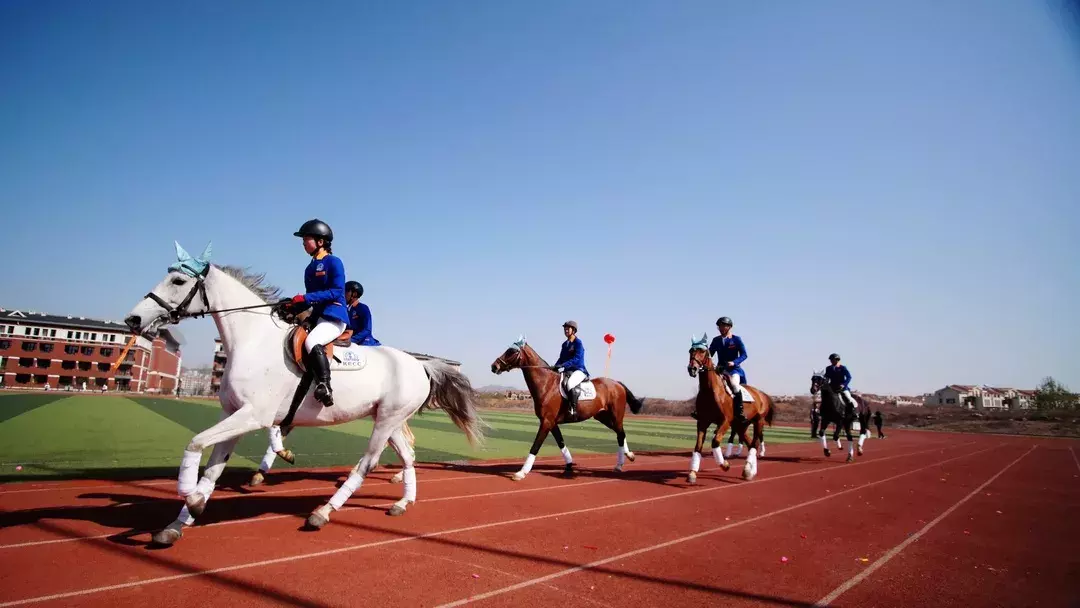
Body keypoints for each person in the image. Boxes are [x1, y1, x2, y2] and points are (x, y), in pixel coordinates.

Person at [286, 219, 348, 407]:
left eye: (307, 239)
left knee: (312, 341)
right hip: (318, 317)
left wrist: (305, 298)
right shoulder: (309, 268)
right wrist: (293, 306)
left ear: (320, 242)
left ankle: (325, 386)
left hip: (334, 316)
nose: (303, 243)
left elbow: (336, 291)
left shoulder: (334, 262)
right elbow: (312, 301)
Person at [707, 316, 748, 424]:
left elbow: (744, 355)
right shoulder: (716, 340)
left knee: (734, 385)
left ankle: (740, 411)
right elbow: (709, 355)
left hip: (734, 370)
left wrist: (734, 362)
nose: (721, 328)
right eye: (719, 326)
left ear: (729, 327)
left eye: (723, 326)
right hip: (720, 370)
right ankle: (702, 409)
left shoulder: (736, 339)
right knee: (707, 384)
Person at [552, 320, 589, 418]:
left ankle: (573, 409)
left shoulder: (578, 343)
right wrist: (555, 367)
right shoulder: (565, 344)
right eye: (565, 329)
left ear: (574, 330)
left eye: (568, 328)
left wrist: (563, 365)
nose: (566, 330)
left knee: (570, 384)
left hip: (579, 370)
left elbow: (577, 359)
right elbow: (561, 358)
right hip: (568, 370)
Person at [345, 281, 381, 346]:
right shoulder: (347, 311)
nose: (344, 295)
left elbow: (367, 329)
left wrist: (352, 340)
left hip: (365, 342)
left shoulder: (363, 308)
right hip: (353, 342)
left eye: (346, 292)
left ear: (354, 294)